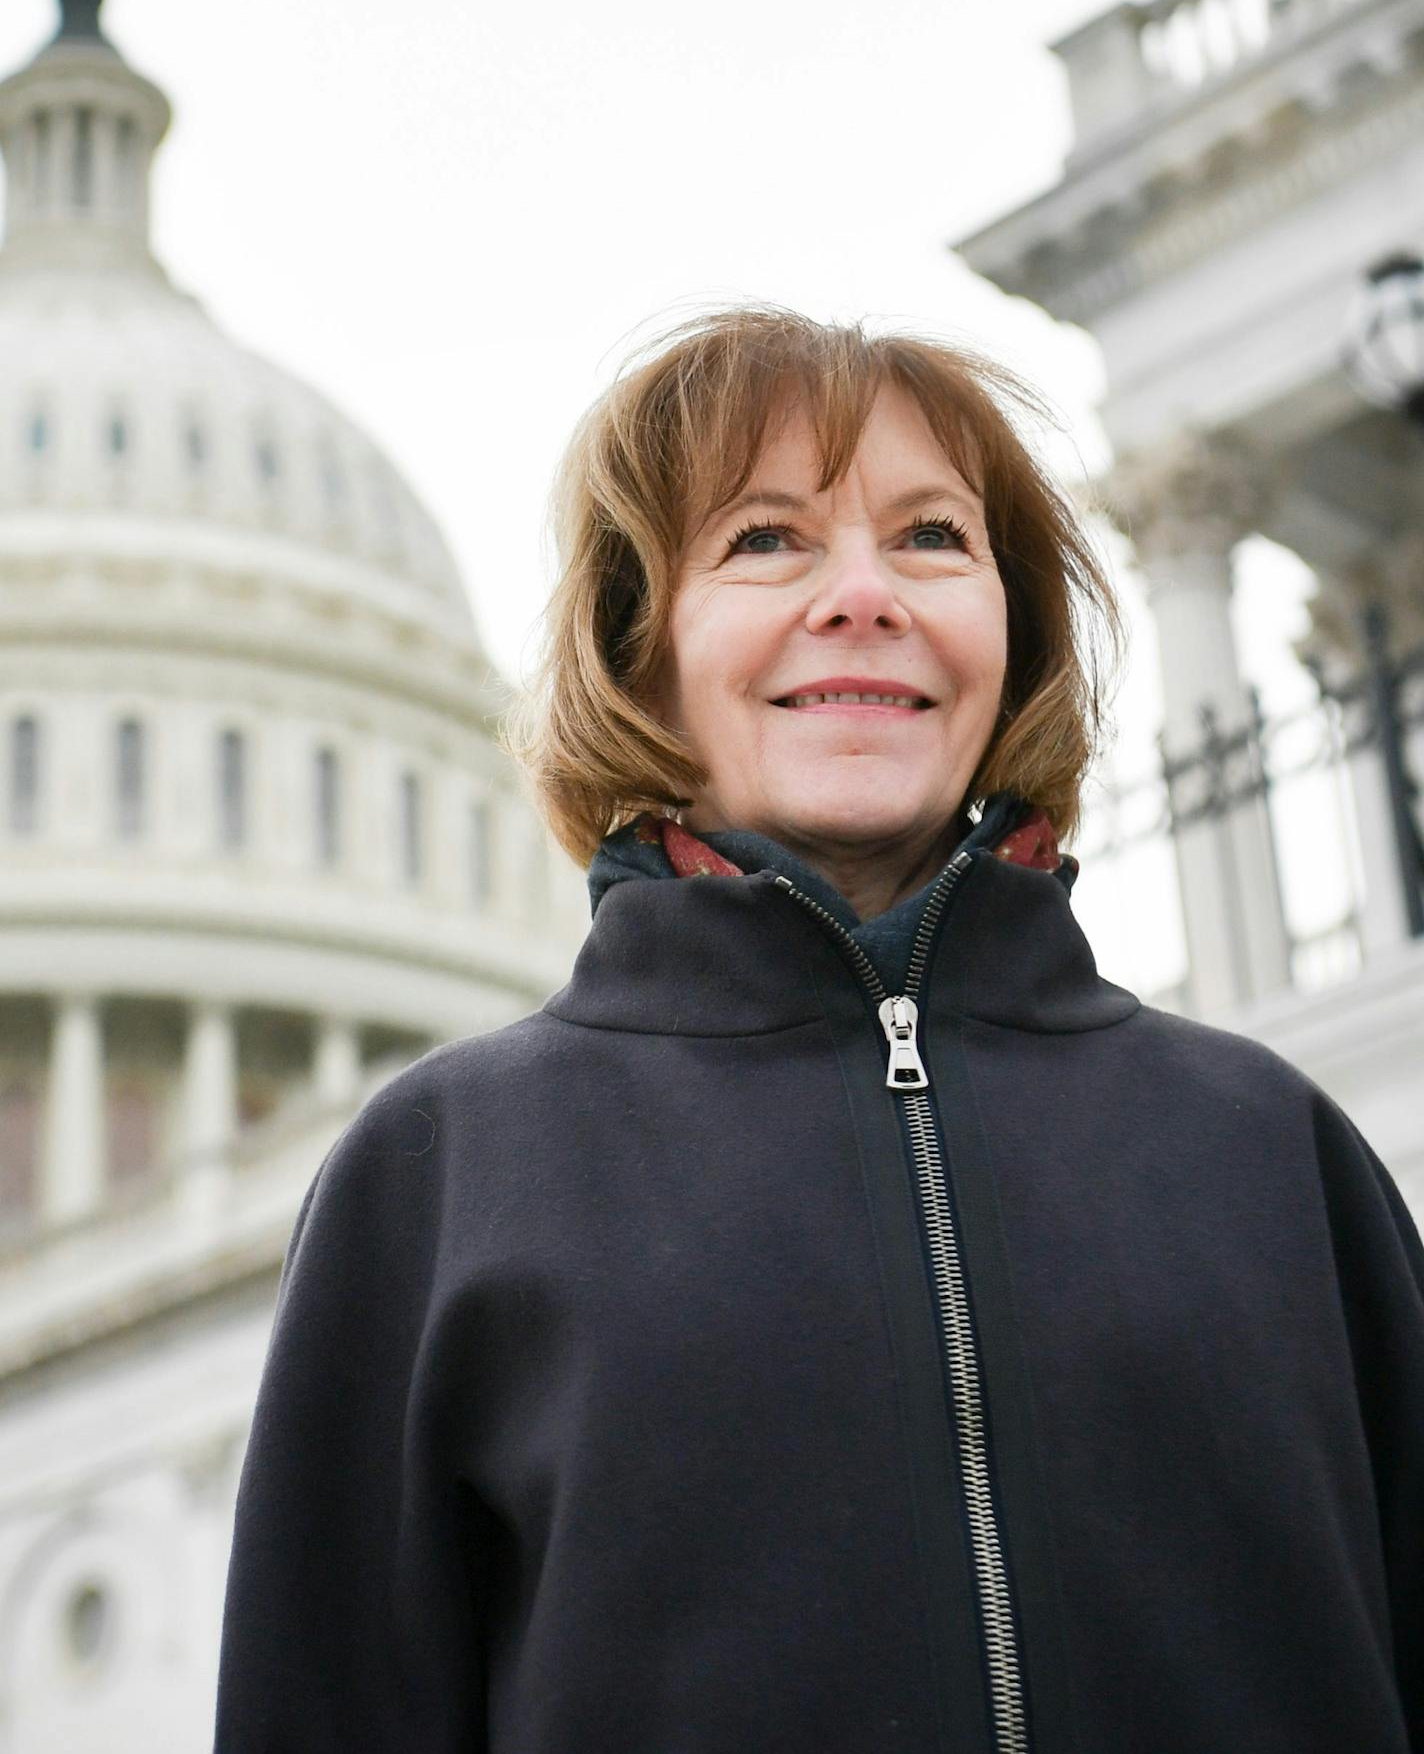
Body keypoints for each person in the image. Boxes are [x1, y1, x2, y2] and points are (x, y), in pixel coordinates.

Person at [212, 305, 1424, 1754]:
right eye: (767, 539)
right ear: (637, 649)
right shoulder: (444, 1177)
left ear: (1011, 633)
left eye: (930, 538)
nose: (863, 595)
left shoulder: (1271, 1148)